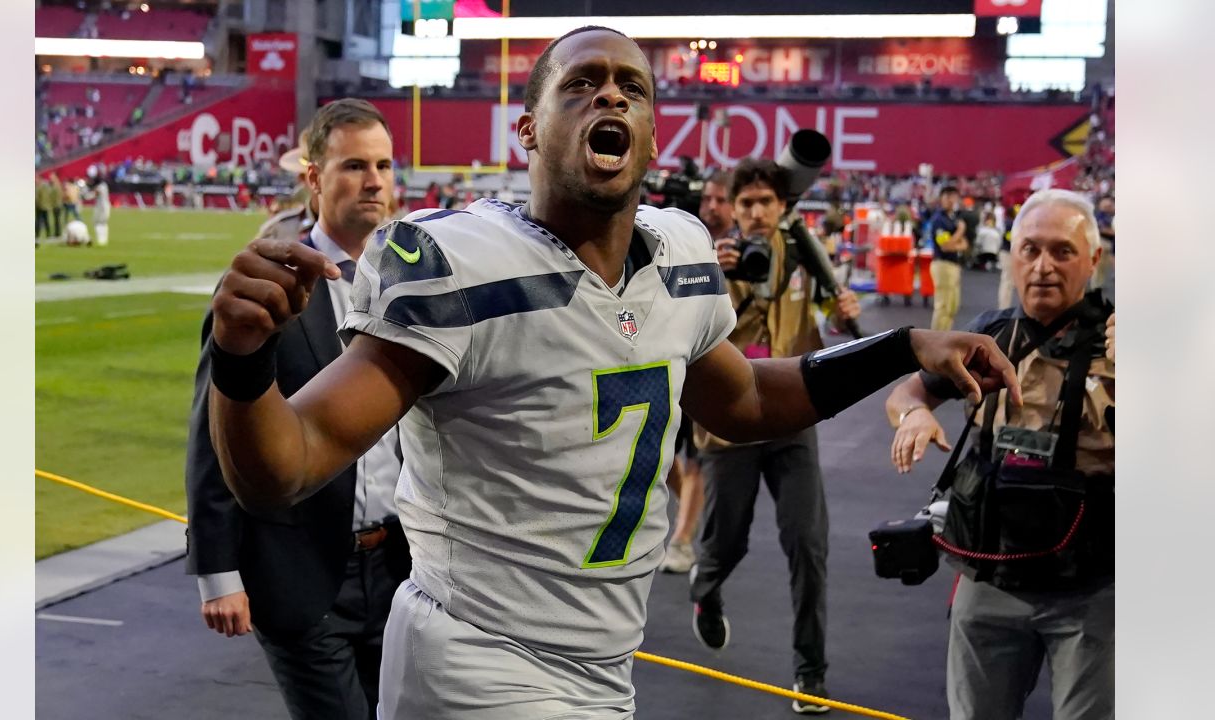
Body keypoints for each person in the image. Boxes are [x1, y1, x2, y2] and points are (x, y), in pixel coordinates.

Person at [206, 27, 1018, 718]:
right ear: (526, 131)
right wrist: (242, 364)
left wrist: (900, 346)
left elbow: (744, 401)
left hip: (602, 661)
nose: (610, 97)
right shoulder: (454, 264)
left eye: (631, 85)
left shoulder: (679, 257)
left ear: (654, 135)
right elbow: (290, 463)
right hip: (475, 661)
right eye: (582, 84)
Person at [185, 99, 408, 720]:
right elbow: (215, 435)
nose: (374, 182)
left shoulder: (411, 286)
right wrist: (217, 571)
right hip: (305, 572)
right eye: (354, 166)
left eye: (385, 166)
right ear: (313, 177)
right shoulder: (268, 283)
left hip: (401, 566)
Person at [884, 188, 1114, 720]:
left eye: (1063, 251)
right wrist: (914, 415)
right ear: (1012, 254)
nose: (1043, 267)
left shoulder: (1120, 344)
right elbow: (906, 393)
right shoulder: (986, 335)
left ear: (1094, 260)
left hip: (1091, 587)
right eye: (1030, 249)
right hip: (989, 577)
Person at [688, 157, 861, 713]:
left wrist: (844, 310)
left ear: (783, 207)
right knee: (725, 545)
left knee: (808, 545)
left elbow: (836, 322)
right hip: (730, 423)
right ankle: (705, 589)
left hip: (791, 419)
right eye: (746, 204)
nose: (757, 213)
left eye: (766, 202)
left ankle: (811, 673)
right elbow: (688, 335)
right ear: (732, 210)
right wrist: (714, 279)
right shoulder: (711, 261)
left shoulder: (808, 258)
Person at [659, 171, 737, 574]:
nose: (712, 206)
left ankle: (683, 539)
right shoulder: (683, 238)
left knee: (695, 460)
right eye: (708, 198)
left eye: (721, 199)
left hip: (716, 364)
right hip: (674, 359)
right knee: (668, 456)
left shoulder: (746, 246)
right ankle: (691, 513)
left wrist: (725, 273)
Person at [925, 185, 968, 330]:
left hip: (953, 264)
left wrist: (955, 242)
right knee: (943, 306)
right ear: (941, 199)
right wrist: (960, 232)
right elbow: (945, 246)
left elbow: (964, 244)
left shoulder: (953, 218)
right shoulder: (939, 219)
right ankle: (936, 342)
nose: (950, 200)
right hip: (943, 264)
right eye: (947, 197)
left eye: (953, 196)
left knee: (952, 306)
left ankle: (944, 337)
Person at [89, 177, 111, 247]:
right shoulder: (104, 185)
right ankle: (104, 239)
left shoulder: (100, 187)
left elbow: (95, 194)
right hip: (105, 206)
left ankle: (101, 239)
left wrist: (86, 196)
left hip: (101, 207)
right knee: (103, 223)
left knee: (97, 223)